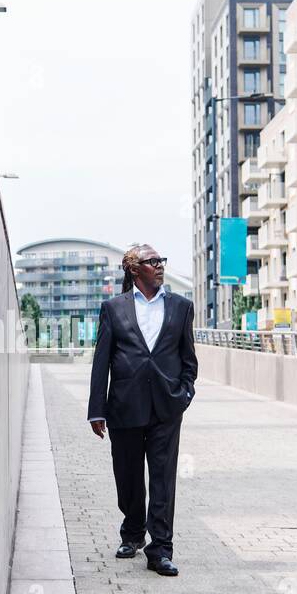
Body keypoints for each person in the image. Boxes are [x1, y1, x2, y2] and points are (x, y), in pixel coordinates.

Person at [86, 243, 197, 576]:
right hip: (124, 407)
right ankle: (132, 531)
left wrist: (184, 394)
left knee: (163, 479)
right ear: (135, 270)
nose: (159, 265)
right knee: (129, 476)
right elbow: (101, 360)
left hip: (166, 408)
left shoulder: (181, 307)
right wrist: (97, 410)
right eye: (152, 261)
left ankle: (160, 549)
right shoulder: (113, 308)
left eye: (161, 260)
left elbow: (188, 359)